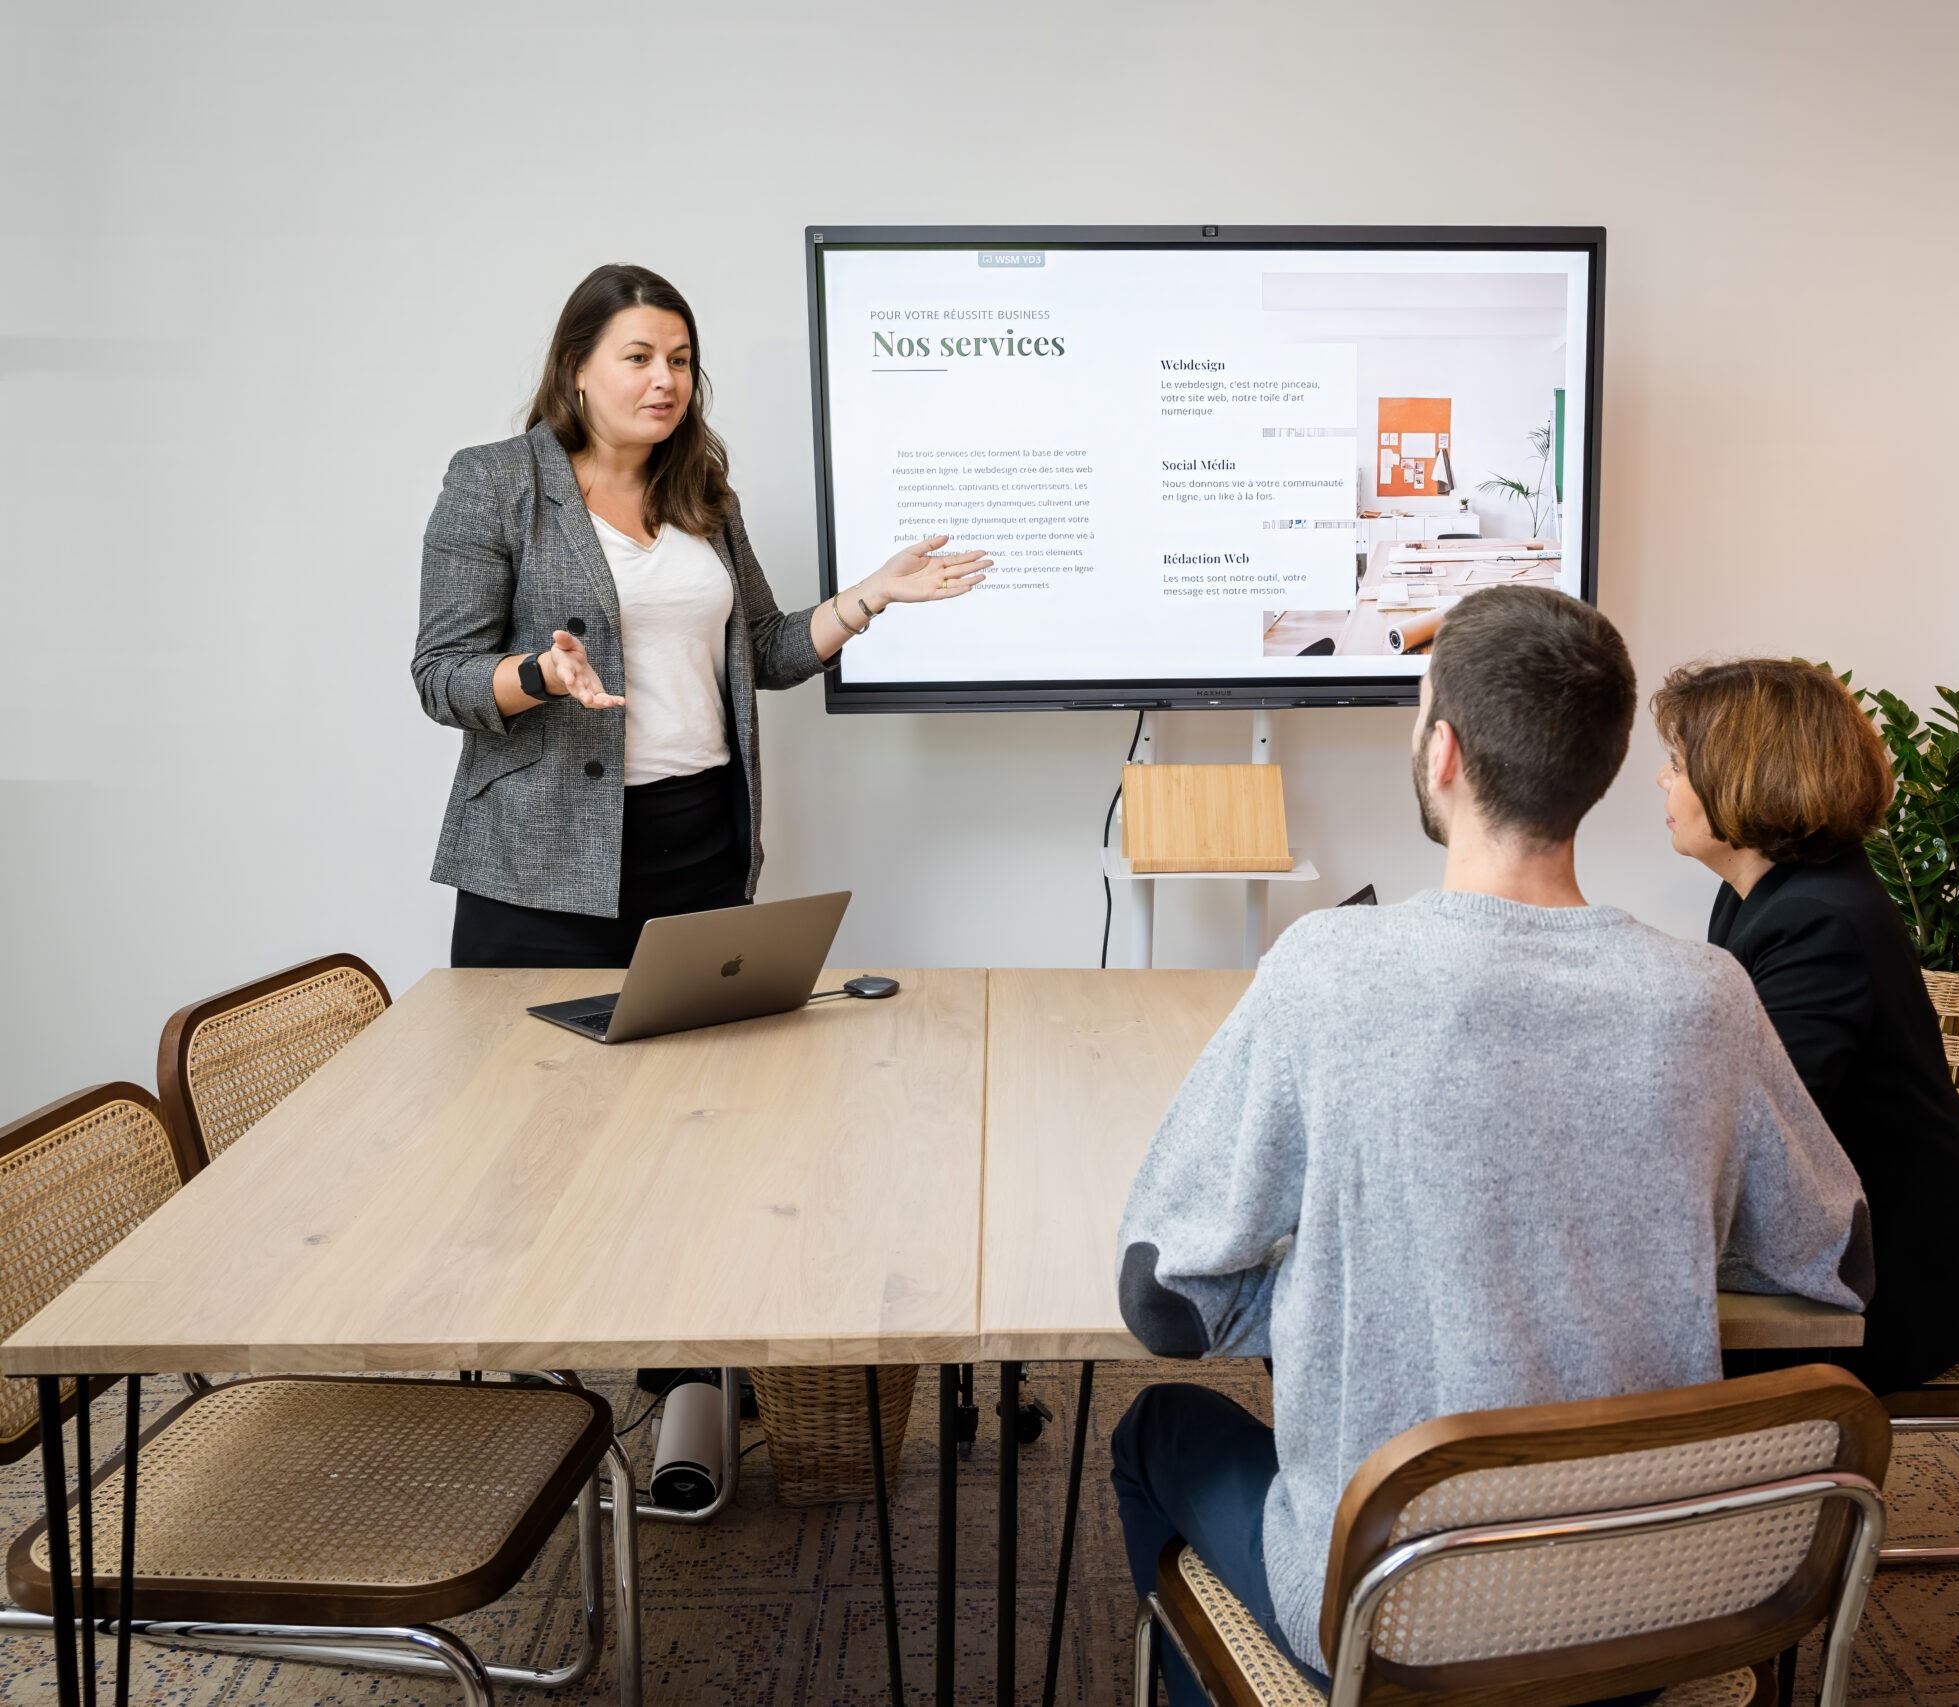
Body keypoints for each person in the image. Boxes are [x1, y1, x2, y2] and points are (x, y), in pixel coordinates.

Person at [1109, 587, 1875, 1703]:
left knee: (1153, 1433)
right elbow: (1838, 1256)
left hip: (1403, 1612)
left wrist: (1330, 1287)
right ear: (1601, 767)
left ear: (1443, 753)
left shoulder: (1328, 969)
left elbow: (1163, 1302)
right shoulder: (1707, 995)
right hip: (1648, 1608)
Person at [412, 263, 989, 968]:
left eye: (680, 361)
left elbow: (764, 649)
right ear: (576, 369)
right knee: (540, 1076)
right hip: (544, 863)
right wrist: (540, 673)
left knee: (702, 1075)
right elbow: (442, 676)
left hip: (701, 843)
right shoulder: (496, 482)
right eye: (639, 358)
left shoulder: (701, 493)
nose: (666, 380)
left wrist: (870, 594)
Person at [1651, 657, 1959, 1396]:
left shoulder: (1817, 920)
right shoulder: (1763, 893)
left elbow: (1756, 1133)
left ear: (1744, 777)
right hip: (1869, 1222)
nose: (1661, 781)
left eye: (1677, 763)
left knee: (1635, 1337)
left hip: (1913, 1268)